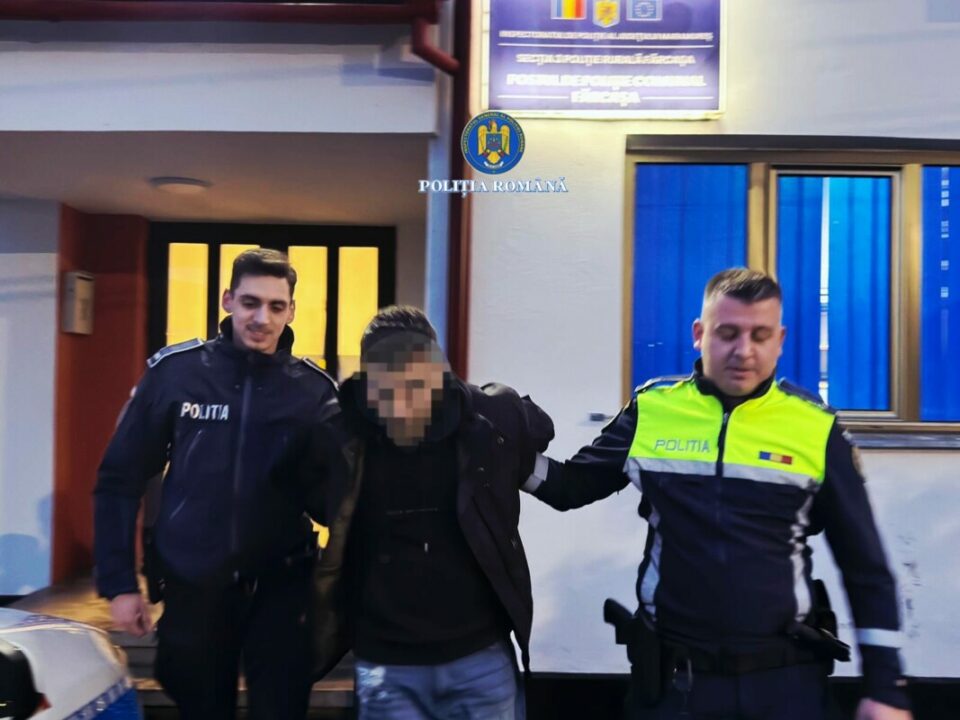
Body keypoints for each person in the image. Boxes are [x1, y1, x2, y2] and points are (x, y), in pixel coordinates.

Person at [523, 268, 912, 720]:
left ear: (780, 340)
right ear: (699, 334)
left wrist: (885, 686)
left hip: (784, 685)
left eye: (760, 335)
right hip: (673, 687)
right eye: (727, 333)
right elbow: (569, 486)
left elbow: (865, 564)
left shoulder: (815, 427)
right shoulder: (652, 412)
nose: (743, 351)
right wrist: (497, 451)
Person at [93, 248, 337, 720]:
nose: (262, 318)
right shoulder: (176, 374)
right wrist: (119, 583)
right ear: (227, 300)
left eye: (276, 306)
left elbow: (337, 501)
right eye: (250, 302)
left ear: (291, 311)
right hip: (194, 584)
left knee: (282, 709)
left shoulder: (314, 391)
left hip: (283, 586)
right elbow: (119, 479)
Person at [299, 306, 553, 720]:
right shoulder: (341, 437)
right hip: (388, 665)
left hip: (479, 658)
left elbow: (547, 453)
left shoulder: (483, 421)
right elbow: (303, 496)